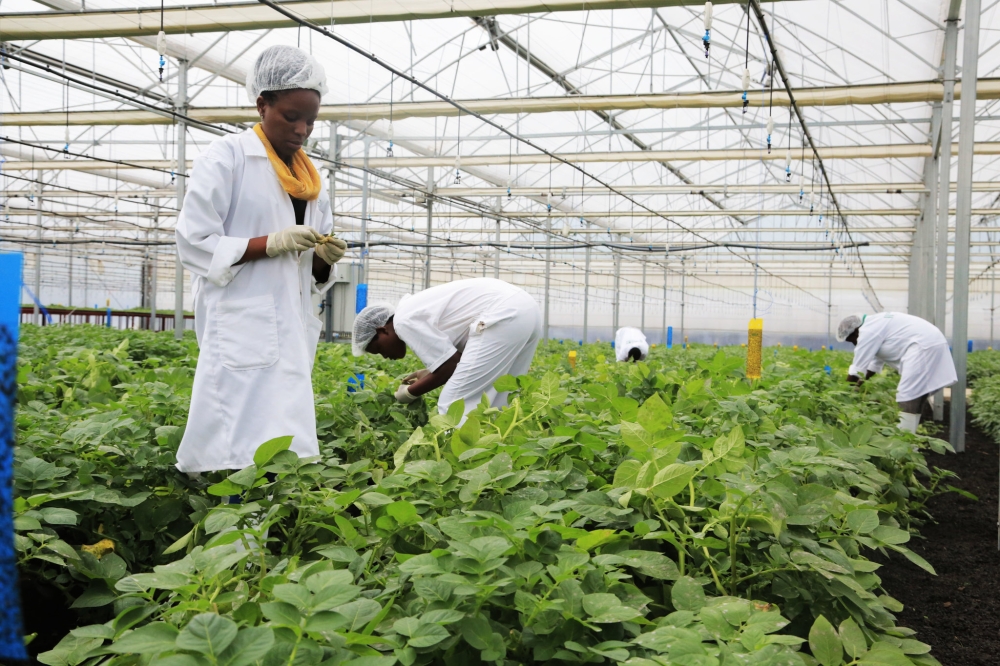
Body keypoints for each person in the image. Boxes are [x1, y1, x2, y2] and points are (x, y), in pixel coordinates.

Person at [174, 45, 348, 473]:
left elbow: (308, 275)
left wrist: (324, 260)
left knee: (286, 446)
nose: (303, 129)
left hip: (289, 325)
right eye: (292, 116)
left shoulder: (310, 180)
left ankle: (270, 525)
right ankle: (229, 522)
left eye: (310, 120)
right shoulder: (228, 158)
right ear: (262, 104)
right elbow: (193, 241)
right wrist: (267, 243)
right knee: (234, 443)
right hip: (241, 322)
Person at [353, 278, 542, 419]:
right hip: (527, 310)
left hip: (504, 314)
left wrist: (410, 393)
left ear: (382, 330)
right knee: (500, 396)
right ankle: (496, 452)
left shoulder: (402, 321)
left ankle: (459, 463)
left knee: (452, 405)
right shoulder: (412, 311)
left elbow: (449, 366)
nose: (384, 356)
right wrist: (428, 372)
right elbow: (457, 359)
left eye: (378, 349)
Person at [837, 312, 957, 433]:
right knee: (917, 395)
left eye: (852, 340)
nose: (854, 344)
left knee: (907, 394)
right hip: (930, 343)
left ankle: (904, 441)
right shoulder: (876, 325)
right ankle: (910, 440)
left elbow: (857, 369)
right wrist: (858, 386)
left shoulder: (868, 331)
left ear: (855, 331)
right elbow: (872, 366)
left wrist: (844, 394)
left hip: (923, 346)